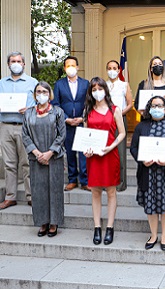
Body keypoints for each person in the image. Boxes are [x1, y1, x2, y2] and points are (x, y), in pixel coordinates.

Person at [130, 96, 165, 251]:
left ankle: (164, 235)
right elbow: (133, 148)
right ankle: (153, 235)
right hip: (148, 173)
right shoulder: (141, 126)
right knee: (150, 204)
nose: (157, 108)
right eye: (154, 106)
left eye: (160, 106)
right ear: (149, 108)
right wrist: (142, 159)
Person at [83, 77, 126, 245]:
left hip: (109, 154)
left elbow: (122, 133)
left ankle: (109, 227)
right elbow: (86, 135)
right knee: (95, 192)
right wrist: (86, 149)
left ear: (105, 90)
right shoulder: (87, 110)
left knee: (111, 191)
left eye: (100, 88)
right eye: (94, 89)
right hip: (93, 157)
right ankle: (96, 227)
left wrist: (112, 146)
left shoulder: (114, 109)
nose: (97, 92)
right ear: (90, 92)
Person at [22, 82, 66, 237]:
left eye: (44, 91)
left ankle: (54, 223)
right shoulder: (28, 113)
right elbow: (25, 135)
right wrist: (37, 153)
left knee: (54, 190)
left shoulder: (58, 112)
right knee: (38, 191)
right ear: (35, 94)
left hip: (54, 158)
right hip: (36, 158)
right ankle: (42, 222)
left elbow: (62, 135)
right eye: (38, 91)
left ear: (50, 94)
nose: (41, 94)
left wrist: (49, 153)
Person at [0, 51, 37, 209]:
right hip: (6, 126)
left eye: (18, 61)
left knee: (27, 163)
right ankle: (10, 197)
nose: (15, 63)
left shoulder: (32, 82)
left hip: (25, 127)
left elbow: (40, 104)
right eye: (12, 61)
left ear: (23, 64)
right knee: (9, 164)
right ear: (8, 64)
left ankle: (31, 196)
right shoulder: (1, 83)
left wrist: (29, 108)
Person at [53, 56, 90, 192]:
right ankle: (72, 180)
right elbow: (56, 104)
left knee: (83, 153)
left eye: (73, 65)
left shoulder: (86, 84)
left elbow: (89, 103)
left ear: (78, 67)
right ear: (64, 68)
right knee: (69, 152)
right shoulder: (59, 84)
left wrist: (82, 118)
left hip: (82, 123)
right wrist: (66, 118)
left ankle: (85, 181)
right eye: (68, 66)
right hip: (66, 124)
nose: (70, 68)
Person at [106, 60, 133, 192]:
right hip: (105, 120)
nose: (112, 70)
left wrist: (119, 114)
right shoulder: (103, 85)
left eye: (114, 68)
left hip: (120, 119)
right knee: (106, 152)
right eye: (109, 68)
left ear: (118, 70)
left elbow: (129, 104)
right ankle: (107, 182)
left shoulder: (124, 85)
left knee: (120, 152)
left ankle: (121, 183)